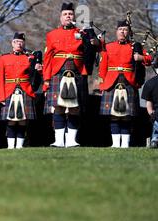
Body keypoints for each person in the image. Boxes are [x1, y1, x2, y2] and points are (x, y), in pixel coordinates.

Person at [43, 2, 101, 148]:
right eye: (65, 14)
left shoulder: (83, 32)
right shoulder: (51, 35)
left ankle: (71, 141)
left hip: (77, 72)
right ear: (60, 18)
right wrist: (46, 80)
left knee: (75, 107)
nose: (68, 16)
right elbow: (48, 58)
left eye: (70, 14)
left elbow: (95, 49)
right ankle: (58, 140)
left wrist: (95, 41)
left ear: (74, 16)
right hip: (58, 72)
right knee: (58, 106)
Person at [99, 20, 152, 148]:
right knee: (114, 115)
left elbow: (149, 59)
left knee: (127, 115)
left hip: (129, 82)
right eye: (120, 29)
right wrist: (102, 84)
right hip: (111, 82)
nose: (122, 32)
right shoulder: (109, 46)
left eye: (125, 30)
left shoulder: (135, 47)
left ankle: (125, 144)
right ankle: (116, 144)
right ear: (116, 32)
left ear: (129, 32)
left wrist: (141, 58)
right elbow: (103, 67)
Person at [0, 32, 42, 149]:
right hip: (9, 91)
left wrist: (38, 69)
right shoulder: (3, 58)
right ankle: (11, 146)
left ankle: (20, 146)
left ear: (24, 43)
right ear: (12, 43)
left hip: (25, 90)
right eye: (17, 42)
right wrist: (1, 97)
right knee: (11, 120)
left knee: (22, 120)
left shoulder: (30, 58)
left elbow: (35, 76)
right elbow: (0, 79)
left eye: (21, 42)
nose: (19, 44)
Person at [141, 69, 158, 148]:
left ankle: (154, 140)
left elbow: (148, 103)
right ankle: (154, 140)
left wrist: (152, 113)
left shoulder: (150, 83)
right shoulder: (150, 83)